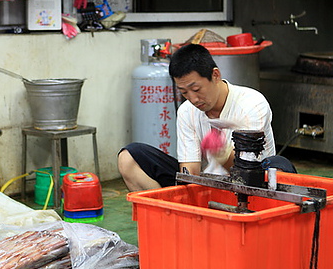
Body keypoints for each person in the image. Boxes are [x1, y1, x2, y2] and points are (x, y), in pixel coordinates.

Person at [117, 43, 277, 192]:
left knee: (280, 165)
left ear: (215, 75)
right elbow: (190, 173)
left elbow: (246, 172)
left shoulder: (252, 104)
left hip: (255, 187)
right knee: (129, 158)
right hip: (208, 185)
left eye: (196, 89)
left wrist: (221, 152)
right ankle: (168, 214)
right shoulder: (187, 111)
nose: (193, 99)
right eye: (184, 92)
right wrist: (187, 188)